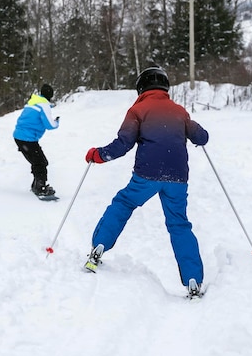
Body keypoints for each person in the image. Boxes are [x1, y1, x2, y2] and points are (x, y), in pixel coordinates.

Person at [84, 67, 209, 298]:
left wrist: (97, 155)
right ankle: (193, 280)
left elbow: (123, 144)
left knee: (123, 203)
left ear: (141, 87)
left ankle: (99, 246)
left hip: (147, 176)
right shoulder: (179, 110)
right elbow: (202, 137)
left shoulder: (137, 110)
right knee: (179, 224)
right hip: (177, 179)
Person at [13, 84, 60, 197]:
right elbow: (50, 125)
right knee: (40, 163)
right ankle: (40, 188)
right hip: (26, 138)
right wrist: (57, 122)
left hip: (21, 137)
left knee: (39, 161)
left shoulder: (33, 101)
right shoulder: (44, 105)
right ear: (51, 95)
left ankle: (36, 185)